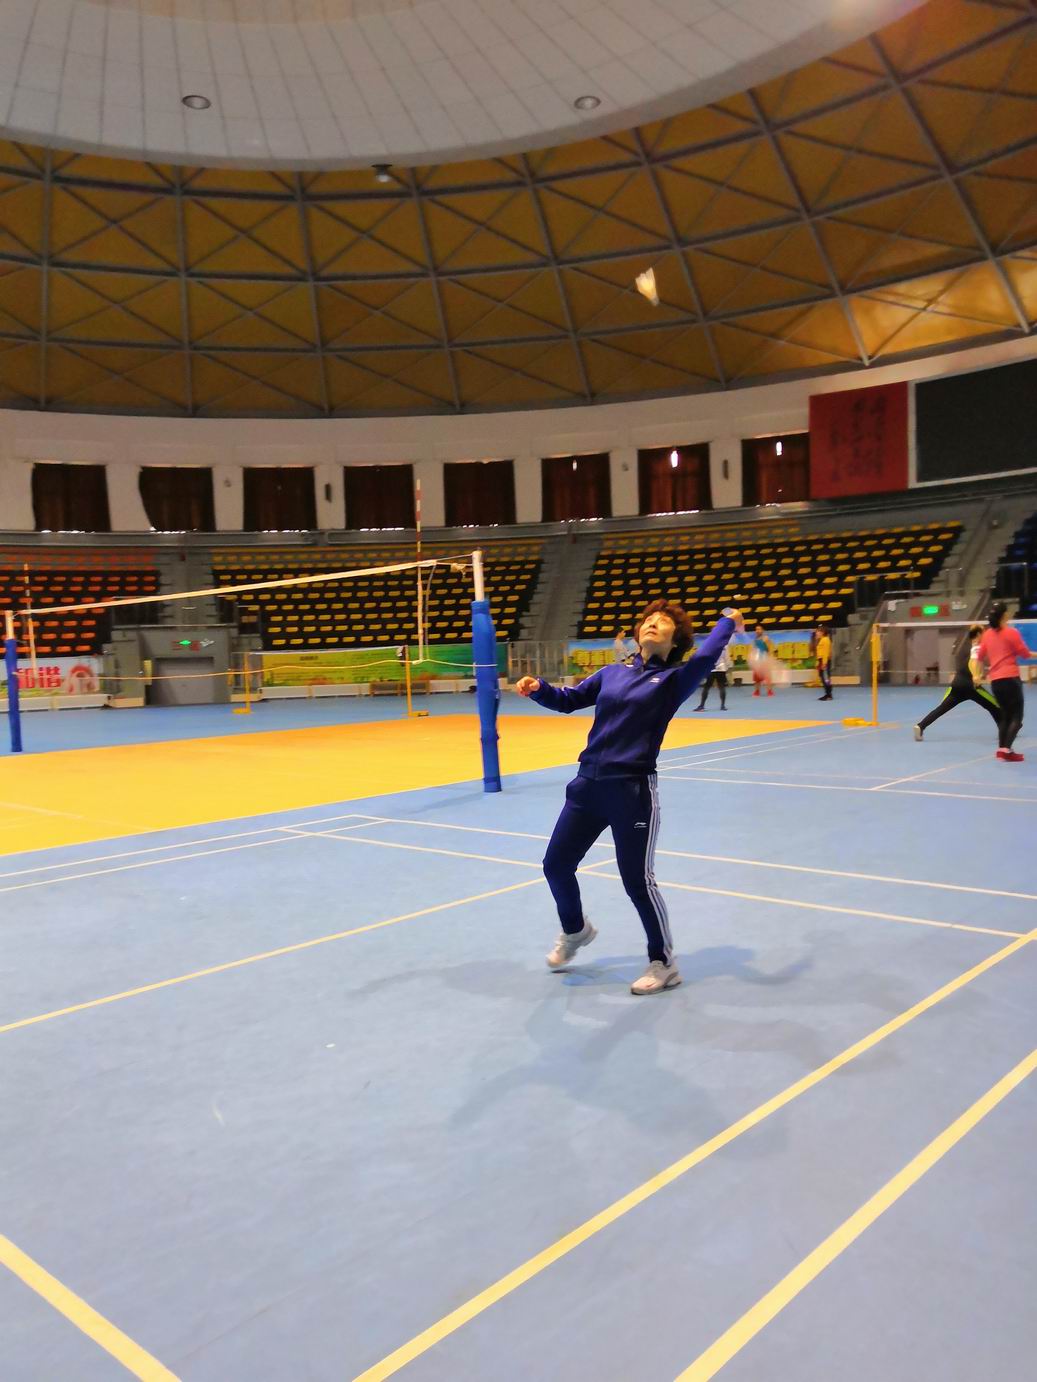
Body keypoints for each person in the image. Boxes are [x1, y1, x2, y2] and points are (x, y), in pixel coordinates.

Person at [516, 601, 743, 995]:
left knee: (638, 881)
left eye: (663, 622)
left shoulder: (674, 680)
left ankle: (664, 963)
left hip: (631, 792)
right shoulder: (611, 673)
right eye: (648, 620)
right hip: (586, 787)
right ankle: (575, 930)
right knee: (556, 865)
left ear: (675, 639)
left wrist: (729, 622)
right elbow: (569, 699)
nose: (653, 624)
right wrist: (540, 690)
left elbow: (707, 656)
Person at [913, 625, 999, 742]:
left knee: (941, 708)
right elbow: (974, 662)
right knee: (994, 705)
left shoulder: (969, 647)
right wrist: (976, 676)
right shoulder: (977, 648)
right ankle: (1006, 729)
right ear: (978, 634)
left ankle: (921, 726)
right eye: (983, 632)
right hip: (971, 685)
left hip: (957, 683)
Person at [977, 602, 1028, 761]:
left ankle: (1002, 749)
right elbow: (1024, 653)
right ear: (1004, 615)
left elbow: (979, 657)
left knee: (1005, 715)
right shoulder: (1012, 633)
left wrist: (978, 675)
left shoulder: (987, 634)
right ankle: (1006, 749)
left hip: (996, 682)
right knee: (1017, 716)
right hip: (1011, 679)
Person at [694, 644, 729, 710]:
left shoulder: (711, 644)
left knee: (706, 687)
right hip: (721, 668)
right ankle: (723, 706)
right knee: (721, 687)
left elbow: (706, 657)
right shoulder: (724, 646)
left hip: (711, 668)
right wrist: (727, 668)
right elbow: (727, 658)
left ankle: (701, 705)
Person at [750, 624, 774, 697]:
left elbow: (769, 649)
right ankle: (757, 691)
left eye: (759, 629)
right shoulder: (754, 640)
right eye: (756, 629)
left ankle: (769, 691)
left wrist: (769, 659)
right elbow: (753, 650)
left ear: (762, 630)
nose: (757, 631)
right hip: (757, 661)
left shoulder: (766, 638)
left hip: (765, 660)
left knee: (767, 677)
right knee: (756, 678)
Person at [816, 624, 833, 701]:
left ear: (822, 632)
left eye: (818, 631)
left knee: (826, 678)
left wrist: (824, 663)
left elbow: (825, 653)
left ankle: (829, 694)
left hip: (824, 660)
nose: (816, 633)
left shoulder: (825, 640)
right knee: (823, 678)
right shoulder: (822, 640)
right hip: (821, 660)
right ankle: (827, 693)